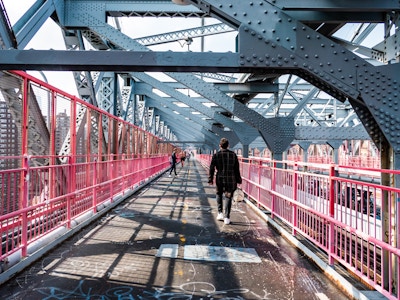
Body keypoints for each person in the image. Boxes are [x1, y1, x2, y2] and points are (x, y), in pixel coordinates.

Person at [208, 138, 242, 225]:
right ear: (228, 146)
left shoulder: (216, 155)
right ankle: (227, 217)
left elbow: (212, 168)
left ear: (220, 145)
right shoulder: (233, 155)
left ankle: (220, 213)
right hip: (231, 179)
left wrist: (210, 179)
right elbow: (236, 169)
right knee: (228, 197)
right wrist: (239, 180)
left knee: (219, 194)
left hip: (220, 178)